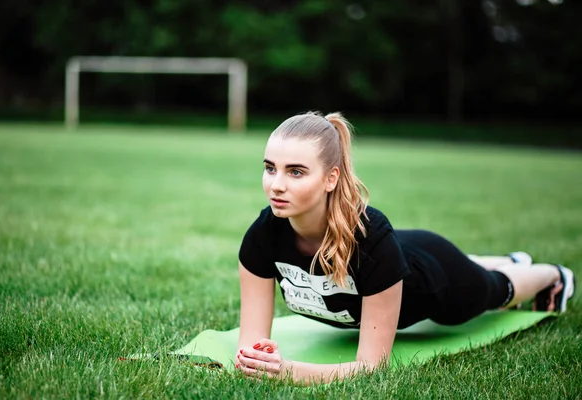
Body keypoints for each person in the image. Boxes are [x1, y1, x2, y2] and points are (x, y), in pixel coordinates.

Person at [234, 111, 575, 384]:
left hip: (434, 280)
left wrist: (288, 371)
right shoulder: (263, 237)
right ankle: (508, 260)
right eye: (270, 168)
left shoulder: (370, 241)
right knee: (472, 268)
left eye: (296, 172)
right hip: (402, 255)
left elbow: (370, 368)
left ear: (331, 178)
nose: (276, 185)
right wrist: (256, 358)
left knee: (496, 288)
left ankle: (551, 274)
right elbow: (249, 347)